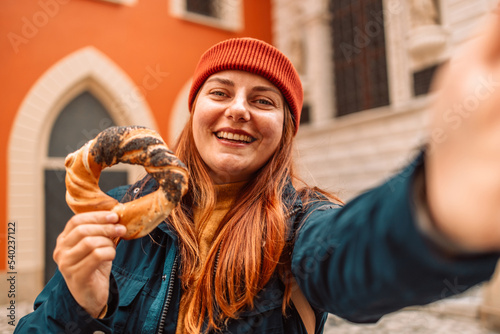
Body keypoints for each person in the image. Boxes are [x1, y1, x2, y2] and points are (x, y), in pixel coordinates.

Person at [15, 10, 500, 334]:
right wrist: (80, 304)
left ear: (285, 132)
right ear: (195, 112)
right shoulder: (120, 219)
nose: (239, 110)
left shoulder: (302, 223)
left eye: (264, 101)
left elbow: (347, 258)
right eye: (220, 93)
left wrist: (432, 209)